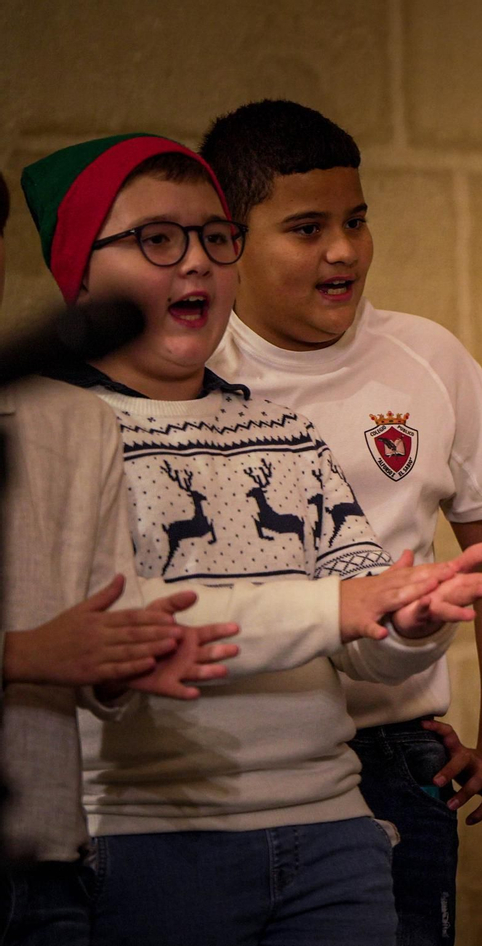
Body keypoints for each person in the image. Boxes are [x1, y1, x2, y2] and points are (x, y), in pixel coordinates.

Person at [20, 133, 482, 946]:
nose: (197, 264)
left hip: (334, 831)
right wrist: (343, 606)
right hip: (148, 839)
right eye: (157, 239)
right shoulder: (58, 431)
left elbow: (365, 637)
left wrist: (411, 626)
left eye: (216, 238)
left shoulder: (281, 430)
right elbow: (125, 628)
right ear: (80, 275)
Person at [201, 100, 482, 945]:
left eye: (356, 220)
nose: (344, 250)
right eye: (307, 228)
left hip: (396, 750)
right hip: (234, 751)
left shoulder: (428, 357)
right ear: (230, 239)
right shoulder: (195, 371)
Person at [0, 167, 238, 946]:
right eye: (158, 240)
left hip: (41, 859)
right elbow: (45, 647)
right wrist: (26, 653)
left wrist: (122, 661)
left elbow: (99, 621)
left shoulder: (67, 421)